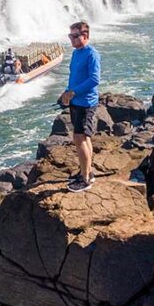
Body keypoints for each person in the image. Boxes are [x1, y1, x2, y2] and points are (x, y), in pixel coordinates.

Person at [60, 21, 101, 192]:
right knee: (85, 138)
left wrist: (73, 93)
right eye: (71, 36)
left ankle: (85, 179)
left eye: (76, 36)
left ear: (86, 36)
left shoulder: (92, 54)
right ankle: (87, 171)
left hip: (86, 103)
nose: (72, 39)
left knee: (79, 139)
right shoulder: (76, 53)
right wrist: (66, 92)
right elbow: (74, 76)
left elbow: (94, 79)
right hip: (76, 101)